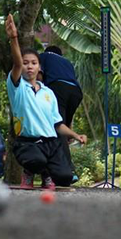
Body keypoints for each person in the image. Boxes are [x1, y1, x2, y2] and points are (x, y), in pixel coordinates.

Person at [4, 14, 87, 189]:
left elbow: (57, 123)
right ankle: (29, 171)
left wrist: (75, 135)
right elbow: (17, 64)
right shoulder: (17, 88)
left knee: (64, 177)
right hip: (28, 143)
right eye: (26, 63)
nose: (29, 66)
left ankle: (47, 173)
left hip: (50, 144)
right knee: (36, 160)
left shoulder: (49, 92)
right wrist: (13, 38)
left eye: (34, 62)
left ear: (40, 67)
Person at [38, 45, 83, 180]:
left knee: (57, 128)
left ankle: (69, 170)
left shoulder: (44, 56)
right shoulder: (67, 62)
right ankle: (65, 162)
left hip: (58, 89)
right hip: (76, 92)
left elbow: (39, 76)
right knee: (64, 128)